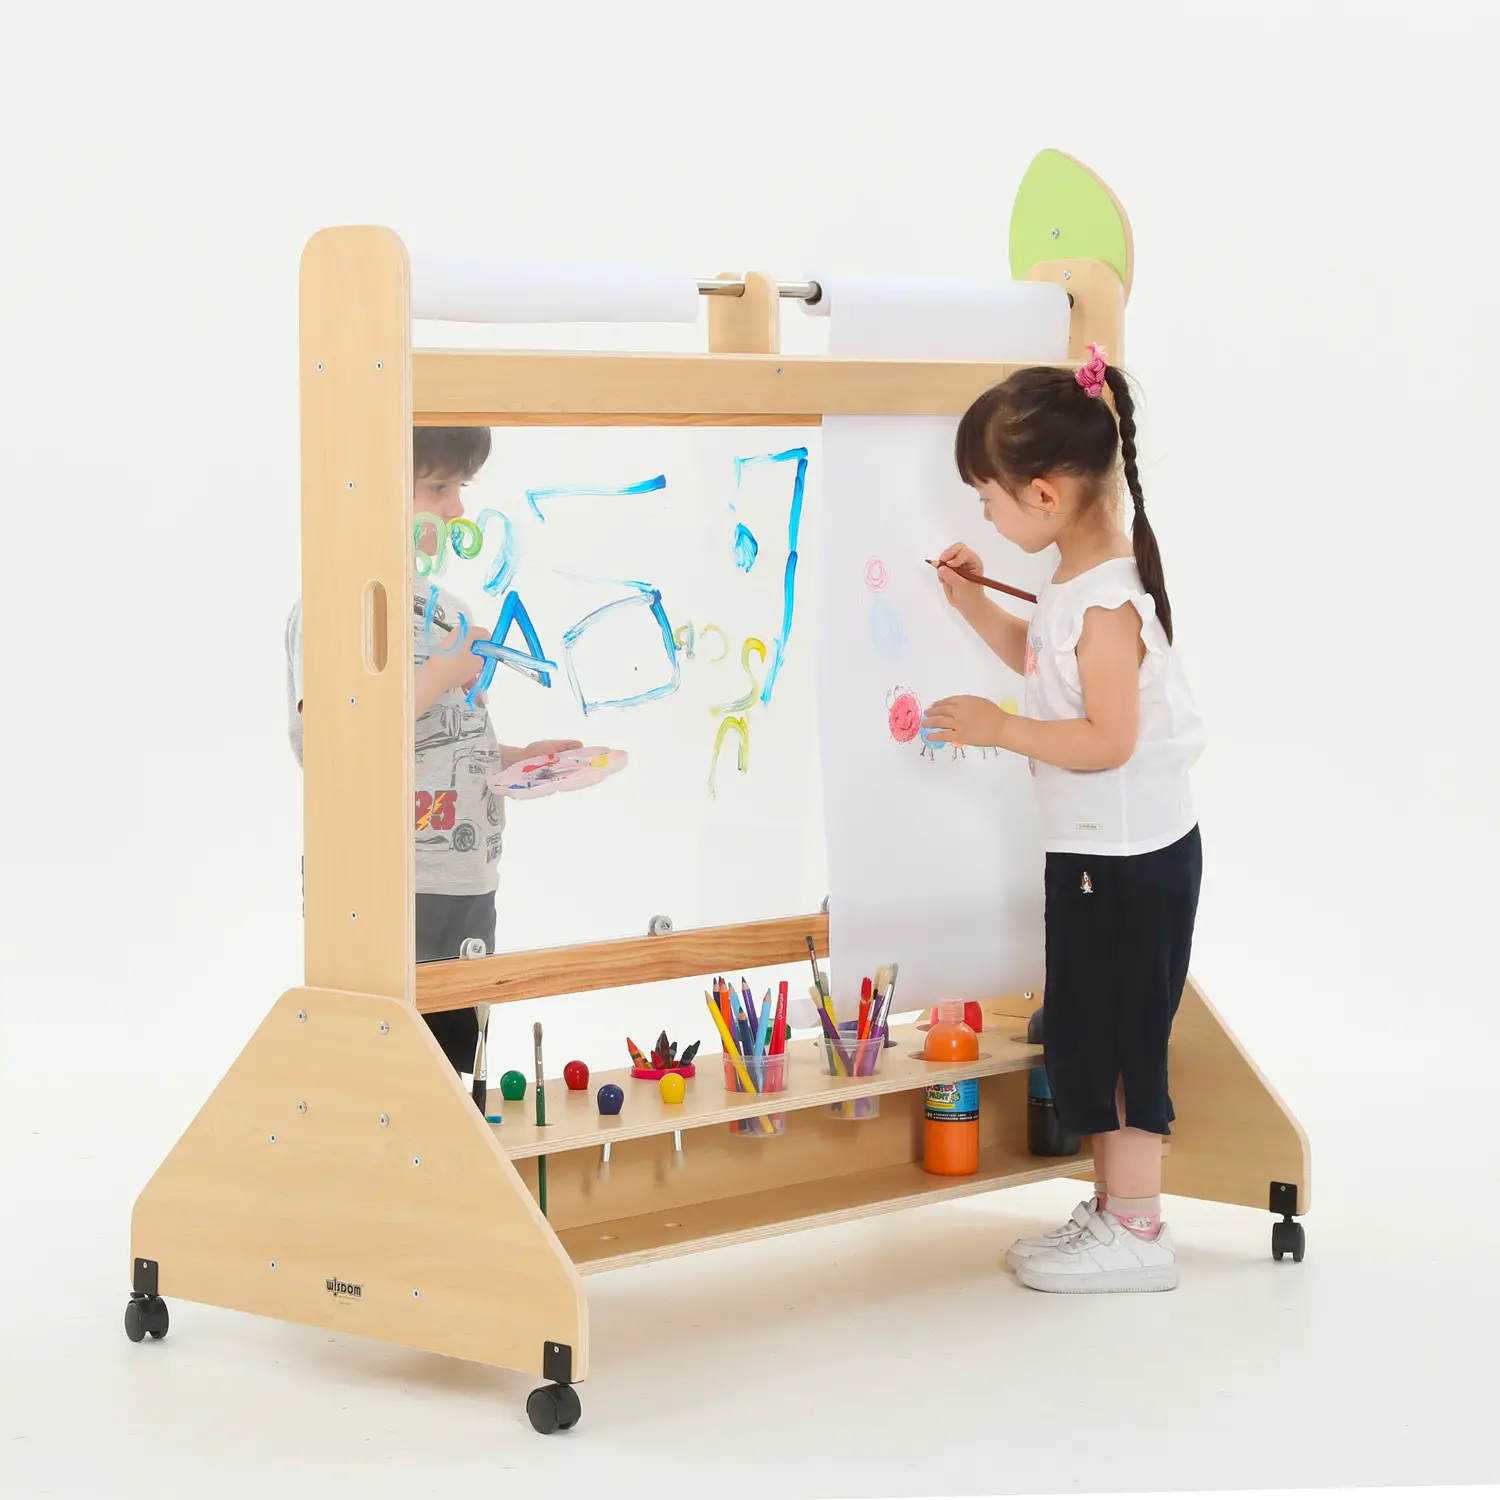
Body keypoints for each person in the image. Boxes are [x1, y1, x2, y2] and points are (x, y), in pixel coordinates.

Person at [922, 345, 1205, 1293]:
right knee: (1089, 1033)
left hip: (1127, 863)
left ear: (1044, 496)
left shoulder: (1107, 606)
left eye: (987, 498)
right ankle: (1116, 1212)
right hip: (1098, 858)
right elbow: (1042, 669)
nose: (985, 516)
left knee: (1119, 1043)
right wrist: (970, 603)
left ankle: (1139, 1229)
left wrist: (1001, 729)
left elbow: (1107, 739)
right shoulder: (1072, 585)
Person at [286, 427, 580, 1073]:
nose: (457, 509)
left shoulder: (448, 610)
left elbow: (446, 738)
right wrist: (441, 672)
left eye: (460, 487)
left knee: (453, 1068)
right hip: (380, 888)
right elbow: (335, 742)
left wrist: (519, 759)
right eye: (440, 487)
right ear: (370, 490)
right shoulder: (335, 607)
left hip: (465, 881)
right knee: (379, 1073)